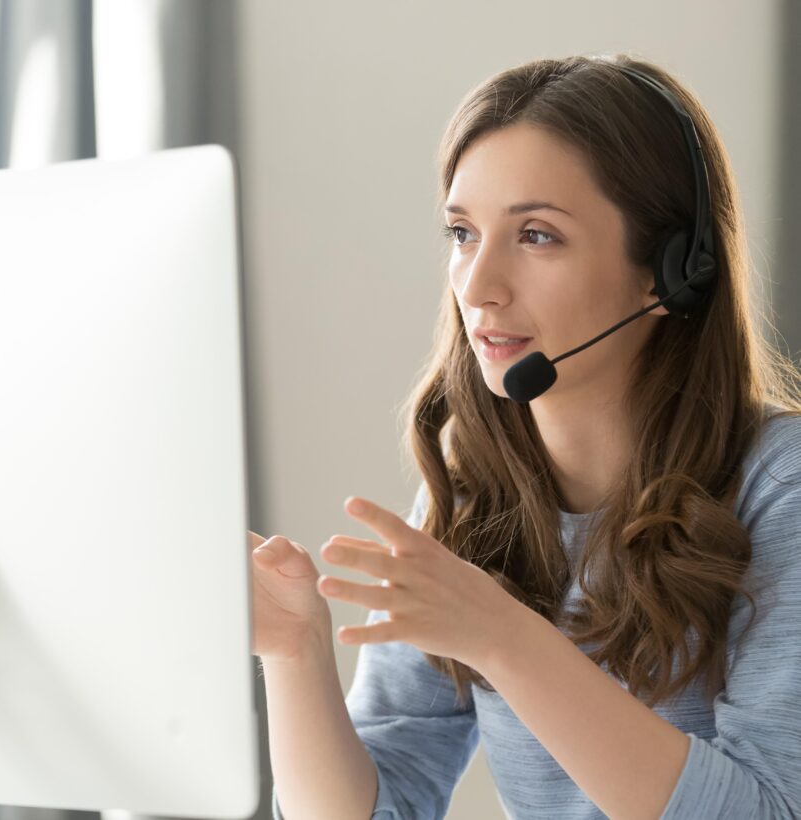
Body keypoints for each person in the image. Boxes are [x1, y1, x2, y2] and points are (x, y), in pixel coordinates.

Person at [250, 52, 801, 819]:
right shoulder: (474, 496)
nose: (477, 287)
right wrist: (294, 653)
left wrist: (506, 639)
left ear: (672, 271)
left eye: (537, 235)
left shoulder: (781, 492)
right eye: (462, 233)